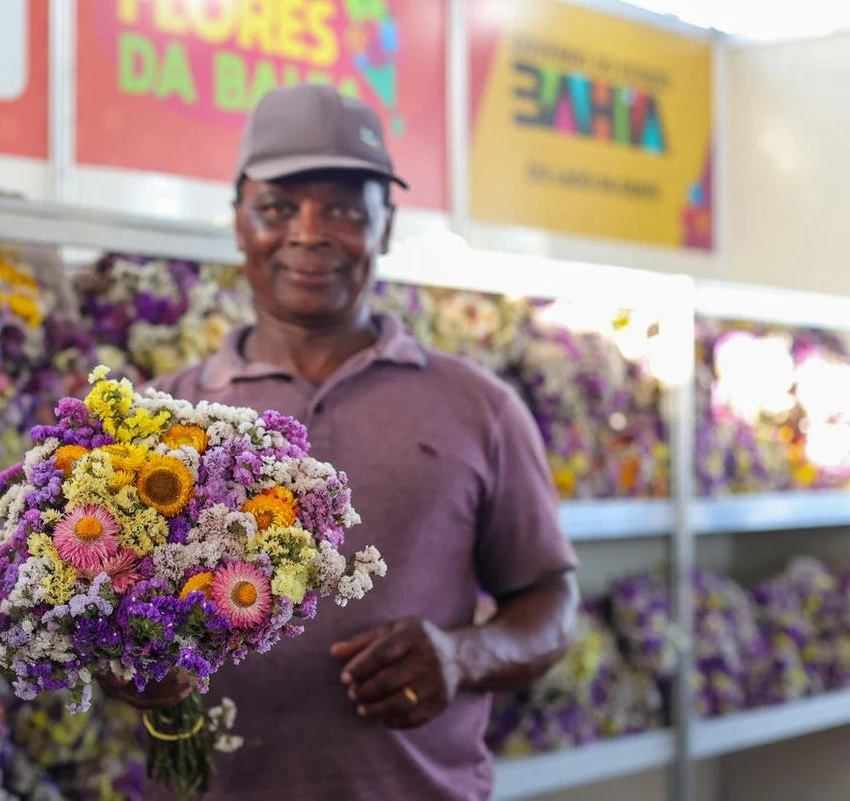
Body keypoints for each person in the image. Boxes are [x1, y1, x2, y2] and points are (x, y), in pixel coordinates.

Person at [100, 83, 580, 801]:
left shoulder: (478, 407)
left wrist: (462, 653)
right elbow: (103, 612)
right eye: (277, 208)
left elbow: (549, 598)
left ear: (386, 227)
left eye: (346, 211)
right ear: (238, 223)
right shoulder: (158, 420)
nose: (308, 232)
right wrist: (126, 660)